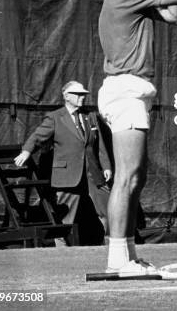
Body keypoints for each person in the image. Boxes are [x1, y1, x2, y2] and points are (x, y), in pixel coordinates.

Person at [97, 0, 177, 275]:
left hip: (130, 90)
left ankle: (128, 257)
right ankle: (116, 261)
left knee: (136, 177)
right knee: (126, 177)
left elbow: (175, 14)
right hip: (125, 88)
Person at [14, 80, 112, 245]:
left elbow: (100, 145)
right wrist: (26, 151)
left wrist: (107, 166)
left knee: (109, 209)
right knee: (65, 217)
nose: (82, 97)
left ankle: (112, 245)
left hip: (93, 174)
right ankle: (61, 248)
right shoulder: (55, 118)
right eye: (78, 94)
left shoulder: (91, 117)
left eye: (84, 95)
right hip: (67, 176)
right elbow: (38, 136)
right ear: (66, 96)